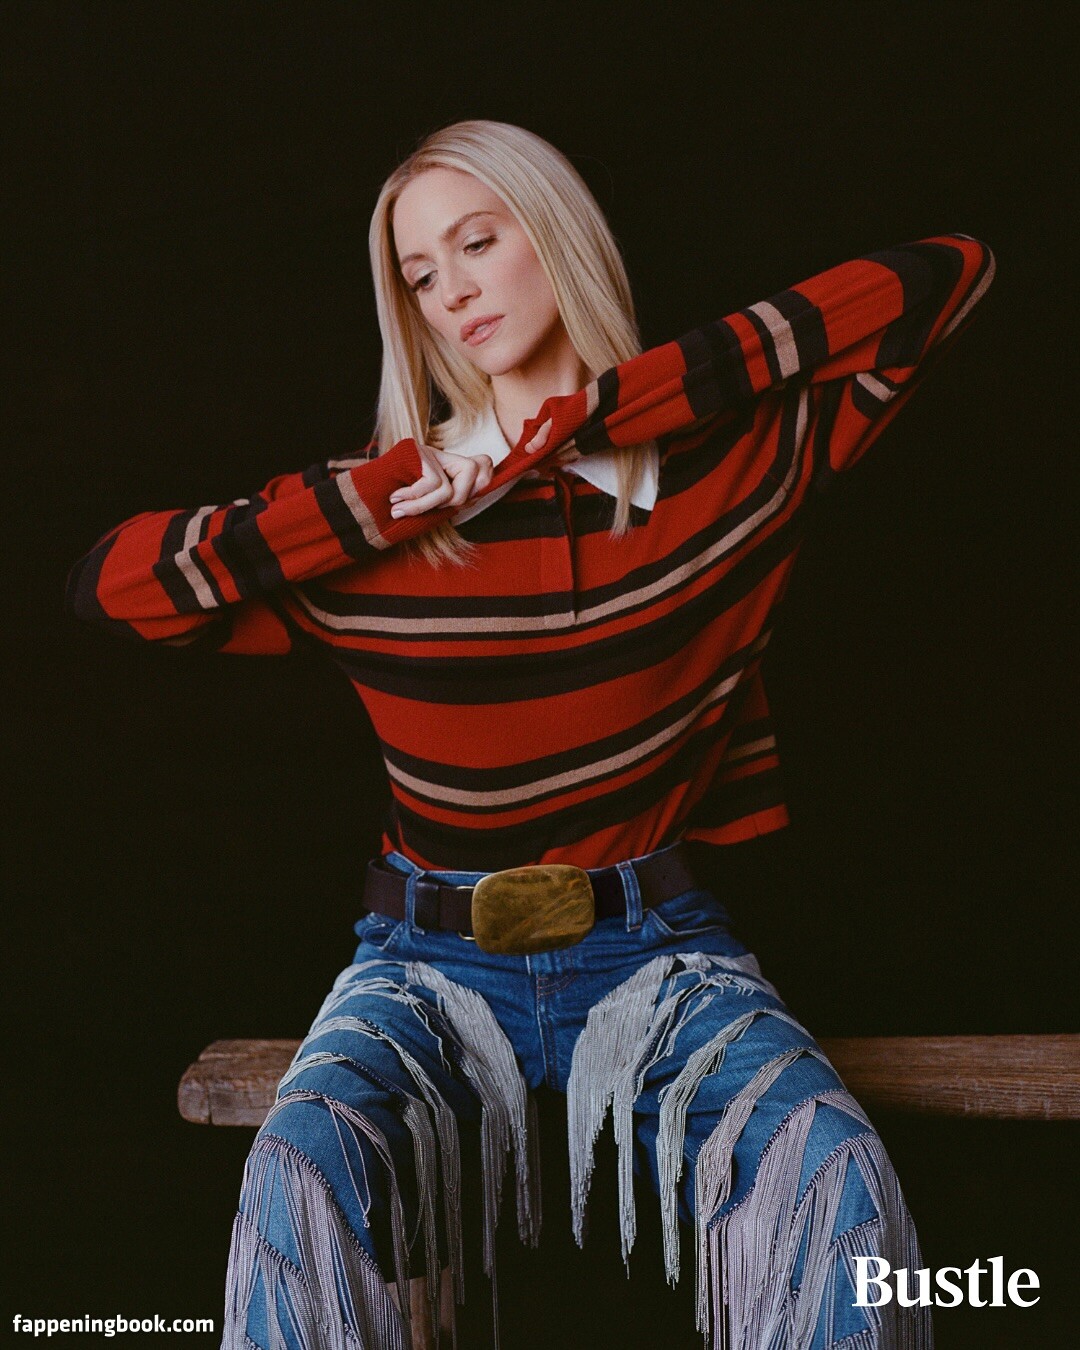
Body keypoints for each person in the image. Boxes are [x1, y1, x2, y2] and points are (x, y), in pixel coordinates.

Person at [67, 120, 995, 1350]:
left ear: (554, 237)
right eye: (419, 274)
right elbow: (113, 587)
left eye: (477, 242)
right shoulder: (380, 518)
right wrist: (366, 504)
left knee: (836, 1185)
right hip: (423, 961)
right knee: (296, 1185)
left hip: (659, 951)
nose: (451, 291)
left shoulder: (734, 469)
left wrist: (592, 419)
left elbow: (946, 277)